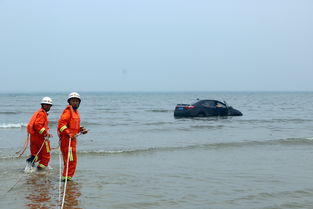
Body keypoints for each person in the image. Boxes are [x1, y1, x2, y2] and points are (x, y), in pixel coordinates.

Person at [58, 92, 88, 181]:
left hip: (72, 140)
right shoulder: (68, 112)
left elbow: (73, 127)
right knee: (71, 161)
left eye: (77, 101)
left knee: (71, 161)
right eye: (73, 101)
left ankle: (67, 178)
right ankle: (66, 179)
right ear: (69, 102)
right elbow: (61, 125)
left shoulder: (75, 112)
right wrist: (68, 133)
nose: (75, 103)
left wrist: (81, 129)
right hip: (67, 141)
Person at [25, 97, 53, 171]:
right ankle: (40, 171)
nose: (48, 106)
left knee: (37, 154)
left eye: (49, 105)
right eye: (46, 105)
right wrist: (45, 134)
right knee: (46, 155)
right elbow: (38, 125)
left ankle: (31, 163)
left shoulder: (39, 112)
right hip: (40, 138)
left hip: (34, 137)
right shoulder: (41, 114)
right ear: (42, 105)